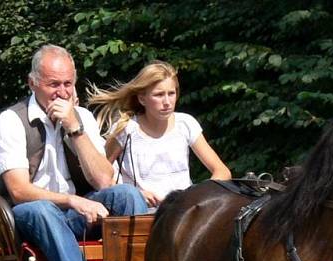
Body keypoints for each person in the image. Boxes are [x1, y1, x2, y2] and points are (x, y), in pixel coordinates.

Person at [0, 44, 148, 261]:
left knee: (127, 195)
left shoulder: (81, 117)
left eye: (67, 84)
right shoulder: (11, 121)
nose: (61, 92)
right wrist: (73, 201)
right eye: (53, 85)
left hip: (74, 215)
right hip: (26, 219)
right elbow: (18, 190)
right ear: (32, 84)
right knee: (42, 210)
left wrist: (75, 130)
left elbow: (103, 180)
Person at [89, 60, 231, 207]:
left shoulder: (186, 124)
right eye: (159, 95)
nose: (167, 102)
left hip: (183, 212)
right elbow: (102, 177)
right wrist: (135, 195)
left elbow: (222, 171)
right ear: (142, 98)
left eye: (171, 93)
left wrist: (199, 194)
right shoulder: (126, 128)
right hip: (142, 213)